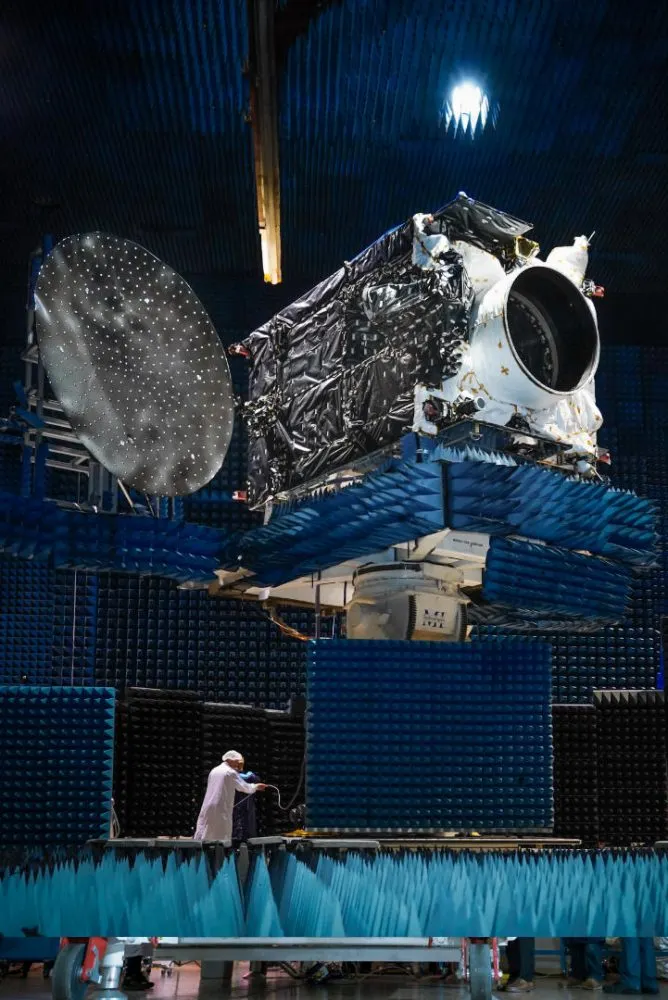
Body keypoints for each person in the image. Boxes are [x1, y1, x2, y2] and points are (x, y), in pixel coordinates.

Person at [195, 751, 266, 843]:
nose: (238, 764)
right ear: (230, 760)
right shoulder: (230, 772)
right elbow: (244, 787)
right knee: (221, 835)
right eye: (237, 762)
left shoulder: (214, 770)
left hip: (208, 806)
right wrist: (256, 786)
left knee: (206, 831)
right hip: (221, 807)